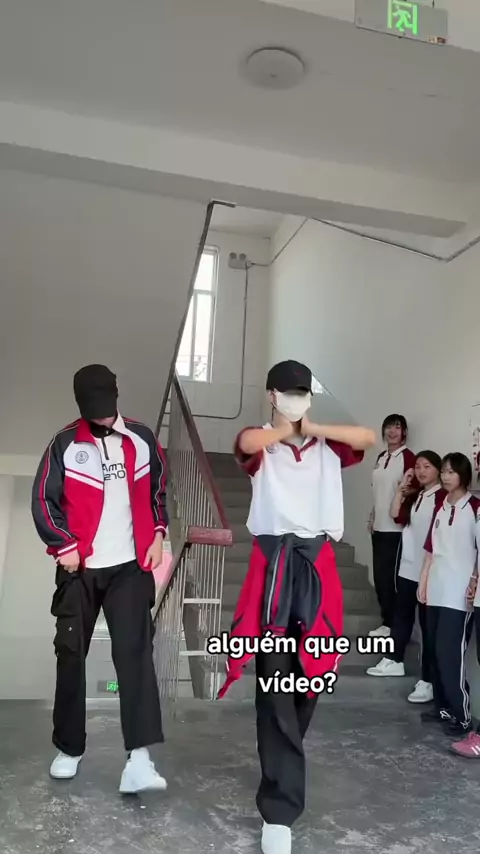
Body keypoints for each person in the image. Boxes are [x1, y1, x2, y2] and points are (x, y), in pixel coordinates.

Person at [217, 360, 376, 854]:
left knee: (311, 680)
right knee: (275, 683)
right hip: (273, 568)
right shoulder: (261, 442)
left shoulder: (328, 445)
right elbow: (246, 443)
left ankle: (284, 755)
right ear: (271, 395)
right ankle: (279, 810)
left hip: (318, 568)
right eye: (288, 392)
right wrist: (286, 430)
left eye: (302, 392)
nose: (295, 399)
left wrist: (312, 428)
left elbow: (367, 437)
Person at [31, 364, 168, 792]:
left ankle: (139, 759)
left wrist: (158, 534)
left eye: (107, 406)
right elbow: (44, 501)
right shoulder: (64, 444)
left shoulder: (142, 438)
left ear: (117, 394)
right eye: (95, 408)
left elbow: (158, 492)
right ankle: (69, 748)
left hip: (130, 567)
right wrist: (63, 545)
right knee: (71, 655)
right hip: (80, 570)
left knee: (135, 656)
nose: (103, 415)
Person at [366, 451, 444, 704]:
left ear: (438, 470)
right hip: (408, 568)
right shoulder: (417, 495)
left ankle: (428, 681)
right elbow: (395, 515)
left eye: (427, 466)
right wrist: (402, 488)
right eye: (418, 467)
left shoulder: (442, 497)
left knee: (428, 627)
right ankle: (394, 660)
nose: (421, 471)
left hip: (429, 571)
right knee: (401, 616)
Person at [417, 453, 479, 738]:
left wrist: (474, 582)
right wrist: (423, 582)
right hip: (437, 589)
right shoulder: (440, 506)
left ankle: (462, 716)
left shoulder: (475, 508)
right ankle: (443, 707)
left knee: (450, 653)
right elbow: (431, 550)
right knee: (433, 650)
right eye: (443, 471)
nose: (445, 476)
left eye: (451, 472)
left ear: (463, 475)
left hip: (459, 594)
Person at [368, 414, 416, 638]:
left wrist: (403, 496)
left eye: (397, 427)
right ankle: (386, 622)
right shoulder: (381, 456)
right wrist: (372, 515)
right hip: (378, 526)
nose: (392, 431)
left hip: (395, 529)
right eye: (388, 427)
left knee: (391, 580)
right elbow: (378, 491)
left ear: (404, 431)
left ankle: (393, 626)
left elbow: (415, 488)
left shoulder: (408, 457)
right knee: (379, 577)